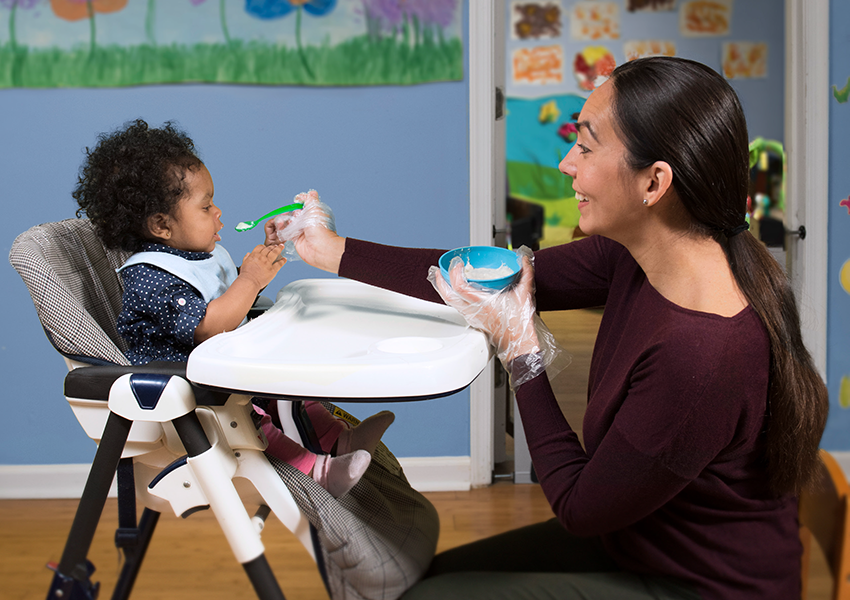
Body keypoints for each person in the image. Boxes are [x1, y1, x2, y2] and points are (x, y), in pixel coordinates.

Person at [279, 57, 829, 599]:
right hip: (637, 538)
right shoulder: (637, 257)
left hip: (699, 583)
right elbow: (483, 277)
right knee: (427, 581)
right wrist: (331, 251)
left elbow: (579, 506)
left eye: (586, 147)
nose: (567, 164)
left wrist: (524, 357)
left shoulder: (704, 353)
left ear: (654, 182)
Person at [72, 119, 394, 498]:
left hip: (225, 374)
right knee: (255, 422)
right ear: (161, 224)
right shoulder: (150, 276)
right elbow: (209, 325)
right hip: (189, 397)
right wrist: (250, 280)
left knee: (296, 391)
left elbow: (223, 296)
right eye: (206, 206)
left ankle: (341, 440)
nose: (219, 212)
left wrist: (265, 259)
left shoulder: (190, 257)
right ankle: (319, 472)